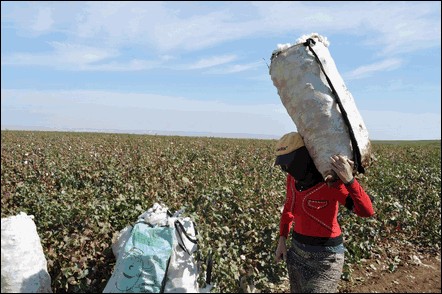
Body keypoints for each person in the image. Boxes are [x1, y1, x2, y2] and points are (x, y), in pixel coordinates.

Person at [273, 132, 375, 293]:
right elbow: (288, 209)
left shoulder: (330, 182)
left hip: (326, 258)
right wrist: (282, 239)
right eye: (283, 165)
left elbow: (366, 211)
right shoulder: (292, 179)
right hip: (297, 253)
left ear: (302, 158)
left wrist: (349, 181)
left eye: (289, 163)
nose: (286, 169)